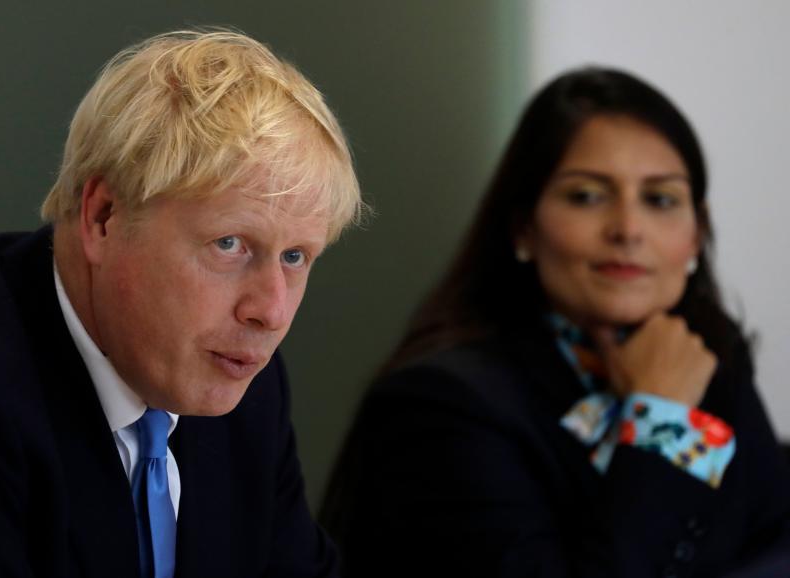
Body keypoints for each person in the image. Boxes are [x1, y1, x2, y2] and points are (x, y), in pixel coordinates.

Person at [0, 29, 362, 577]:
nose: (270, 312)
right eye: (229, 245)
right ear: (103, 216)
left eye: (296, 257)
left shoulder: (243, 386)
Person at [320, 67, 790, 577]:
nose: (628, 229)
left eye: (660, 199)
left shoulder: (708, 356)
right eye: (587, 196)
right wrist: (661, 418)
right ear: (523, 227)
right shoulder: (439, 405)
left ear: (696, 237)